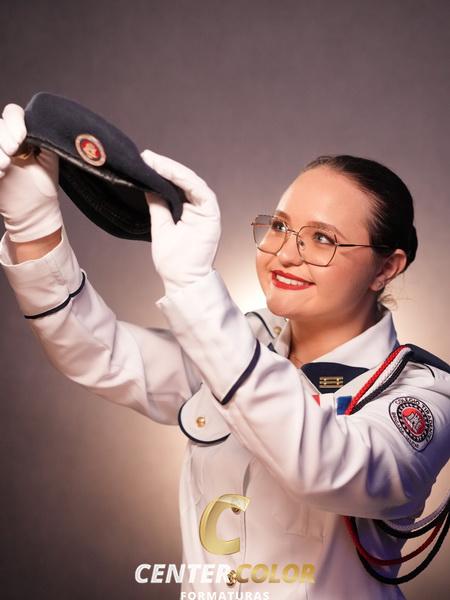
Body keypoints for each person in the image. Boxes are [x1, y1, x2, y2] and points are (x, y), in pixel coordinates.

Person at [0, 103, 449, 600]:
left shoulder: (424, 395)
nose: (285, 253)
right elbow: (98, 353)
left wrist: (195, 289)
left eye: (323, 239)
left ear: (386, 268)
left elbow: (326, 467)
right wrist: (32, 226)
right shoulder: (238, 342)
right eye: (280, 226)